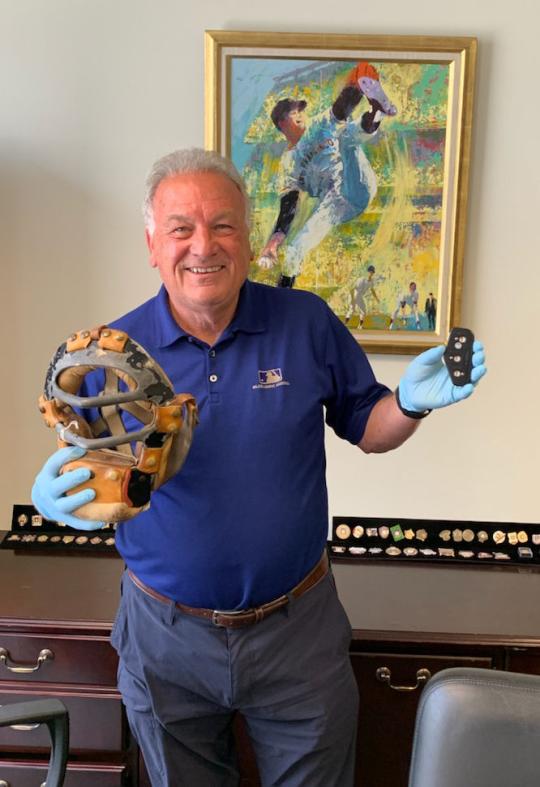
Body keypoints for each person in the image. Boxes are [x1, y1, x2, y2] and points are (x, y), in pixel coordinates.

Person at [31, 148, 487, 787]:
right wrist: (59, 495)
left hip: (296, 631)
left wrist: (408, 403)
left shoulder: (305, 324)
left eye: (223, 225)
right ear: (151, 244)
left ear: (248, 240)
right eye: (180, 228)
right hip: (164, 636)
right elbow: (93, 465)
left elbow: (369, 428)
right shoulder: (114, 355)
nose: (202, 246)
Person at [257, 62, 397, 288]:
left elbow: (340, 109)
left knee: (346, 136)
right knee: (295, 250)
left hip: (355, 185)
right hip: (334, 205)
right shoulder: (288, 163)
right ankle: (284, 300)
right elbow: (289, 205)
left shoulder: (316, 126)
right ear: (282, 123)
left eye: (301, 111)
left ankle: (374, 107)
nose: (301, 115)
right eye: (294, 113)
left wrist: (355, 89)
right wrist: (273, 244)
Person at [345, 264, 384, 328]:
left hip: (359, 296)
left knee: (363, 311)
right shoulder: (361, 279)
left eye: (372, 272)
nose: (371, 273)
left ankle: (360, 325)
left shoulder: (371, 282)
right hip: (354, 294)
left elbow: (372, 290)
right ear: (367, 272)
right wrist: (352, 299)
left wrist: (376, 298)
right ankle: (345, 324)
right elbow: (352, 289)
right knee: (352, 310)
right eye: (370, 272)